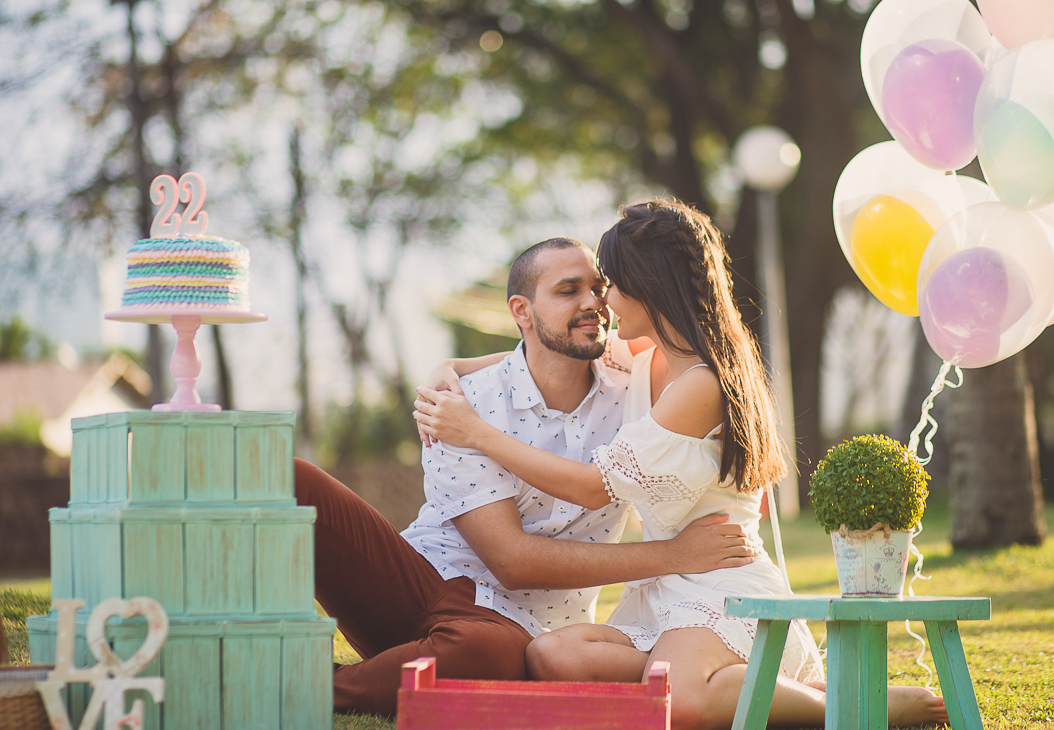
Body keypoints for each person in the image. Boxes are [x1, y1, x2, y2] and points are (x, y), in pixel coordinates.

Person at [414, 199, 949, 730]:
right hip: (662, 590)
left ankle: (862, 707)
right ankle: (748, 685)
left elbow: (593, 487)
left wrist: (476, 432)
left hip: (720, 583)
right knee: (552, 657)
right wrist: (450, 367)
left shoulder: (702, 383)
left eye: (610, 285)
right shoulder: (641, 357)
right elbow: (542, 351)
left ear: (647, 286)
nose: (603, 303)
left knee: (682, 703)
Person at [293, 235, 759, 717]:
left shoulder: (636, 394)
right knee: (292, 479)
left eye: (599, 288)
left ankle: (304, 687)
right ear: (522, 310)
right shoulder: (460, 405)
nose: (592, 303)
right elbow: (511, 560)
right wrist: (450, 368)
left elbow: (684, 352)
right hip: (420, 580)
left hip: (515, 625)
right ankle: (262, 636)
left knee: (483, 652)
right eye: (568, 290)